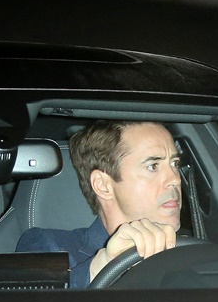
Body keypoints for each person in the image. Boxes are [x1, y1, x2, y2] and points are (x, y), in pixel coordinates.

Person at [16, 120, 182, 288]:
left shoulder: (188, 250)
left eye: (175, 164)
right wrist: (104, 267)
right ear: (103, 185)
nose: (175, 179)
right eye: (153, 166)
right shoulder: (49, 246)